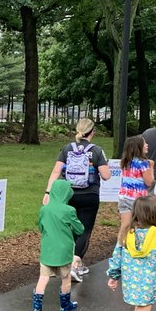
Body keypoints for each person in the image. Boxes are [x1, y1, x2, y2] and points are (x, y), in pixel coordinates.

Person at [43, 117, 112, 281]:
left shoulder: (67, 149)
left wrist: (47, 193)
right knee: (84, 230)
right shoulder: (96, 151)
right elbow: (106, 175)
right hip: (90, 195)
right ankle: (75, 265)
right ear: (92, 132)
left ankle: (60, 264)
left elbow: (55, 172)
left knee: (68, 229)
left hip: (68, 195)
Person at [32, 180, 85, 311]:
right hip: (64, 250)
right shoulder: (69, 210)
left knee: (43, 278)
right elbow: (80, 229)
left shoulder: (44, 209)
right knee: (66, 278)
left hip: (47, 249)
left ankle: (36, 309)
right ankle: (64, 306)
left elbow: (41, 228)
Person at [117, 134, 155, 248]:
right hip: (138, 200)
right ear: (139, 146)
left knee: (125, 226)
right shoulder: (143, 163)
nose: (147, 145)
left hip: (124, 197)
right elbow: (149, 182)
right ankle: (139, 249)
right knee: (143, 226)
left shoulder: (125, 162)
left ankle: (120, 250)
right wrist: (151, 166)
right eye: (144, 143)